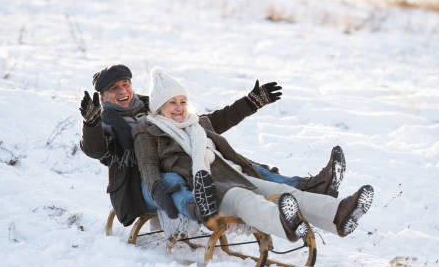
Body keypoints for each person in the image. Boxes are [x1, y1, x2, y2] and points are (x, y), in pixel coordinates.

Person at [79, 64, 346, 228]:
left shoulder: (155, 105)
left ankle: (308, 186)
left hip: (181, 165)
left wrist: (249, 103)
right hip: (143, 186)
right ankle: (198, 207)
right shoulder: (106, 122)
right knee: (171, 179)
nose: (122, 90)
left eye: (125, 83)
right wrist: (91, 125)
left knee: (232, 163)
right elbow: (96, 149)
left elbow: (204, 124)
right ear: (103, 97)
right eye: (114, 88)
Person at [132, 67, 374, 241]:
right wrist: (156, 189)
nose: (179, 108)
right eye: (172, 103)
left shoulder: (196, 124)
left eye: (182, 101)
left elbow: (224, 116)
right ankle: (284, 224)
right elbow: (147, 166)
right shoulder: (149, 131)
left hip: (234, 174)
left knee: (284, 192)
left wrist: (251, 102)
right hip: (204, 188)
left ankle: (339, 213)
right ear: (159, 108)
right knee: (243, 199)